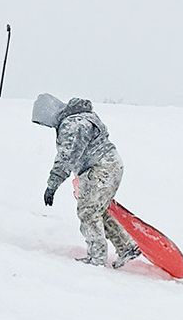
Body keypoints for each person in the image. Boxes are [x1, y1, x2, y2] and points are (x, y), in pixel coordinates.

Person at [32, 94, 141, 268]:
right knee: (99, 211)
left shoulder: (72, 125)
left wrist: (52, 185)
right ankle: (126, 247)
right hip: (112, 165)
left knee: (88, 213)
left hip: (101, 169)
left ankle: (96, 258)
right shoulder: (82, 117)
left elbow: (66, 158)